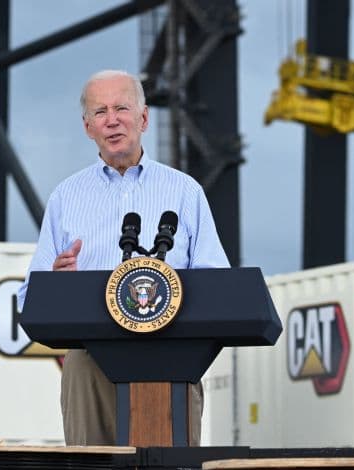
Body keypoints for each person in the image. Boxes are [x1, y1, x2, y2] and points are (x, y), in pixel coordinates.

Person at [17, 69, 230, 446]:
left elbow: (217, 284)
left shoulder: (185, 192)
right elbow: (28, 298)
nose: (112, 120)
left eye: (121, 108)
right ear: (88, 127)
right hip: (89, 361)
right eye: (100, 112)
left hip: (173, 358)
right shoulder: (66, 197)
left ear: (144, 118)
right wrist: (55, 282)